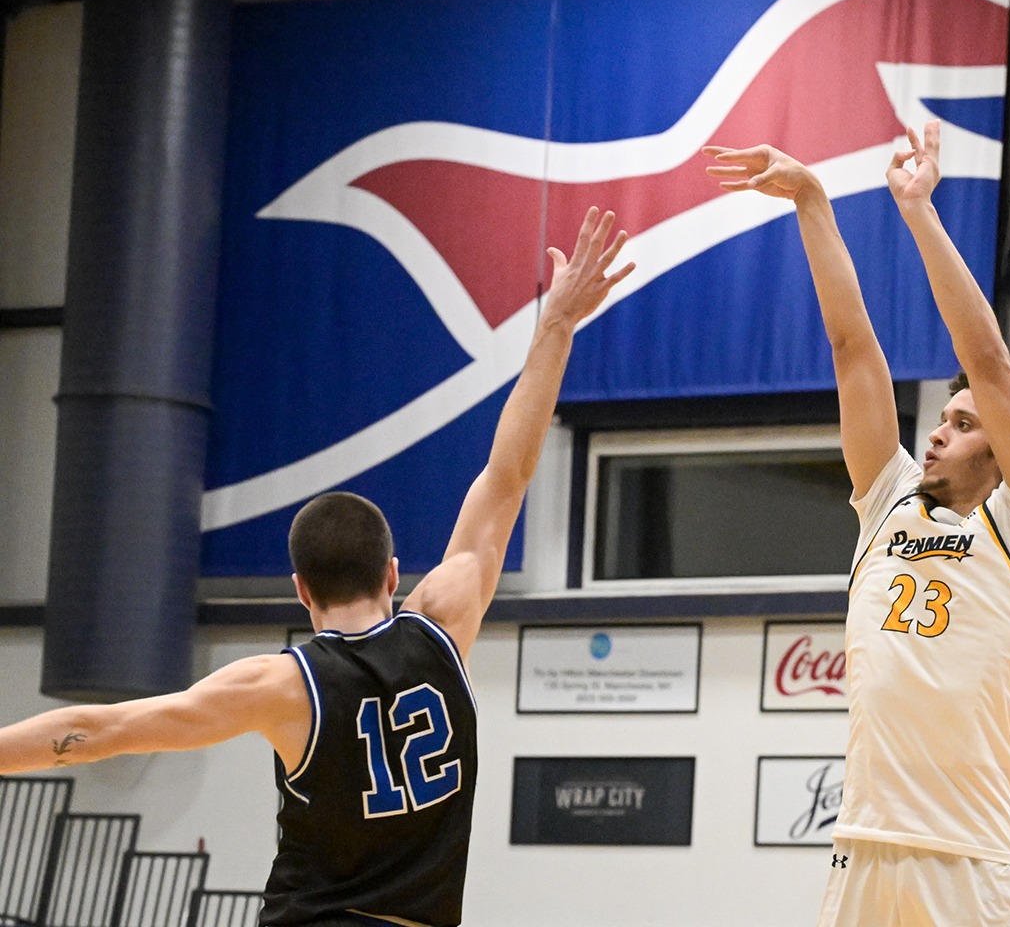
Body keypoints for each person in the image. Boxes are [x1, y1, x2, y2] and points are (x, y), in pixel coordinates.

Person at [0, 209, 633, 927]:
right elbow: (507, 475)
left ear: (300, 590)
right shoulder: (444, 621)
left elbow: (104, 728)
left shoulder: (282, 685)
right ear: (392, 574)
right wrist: (556, 326)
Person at [706, 123, 1010, 927]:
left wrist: (918, 211)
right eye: (941, 418)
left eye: (966, 424)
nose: (939, 431)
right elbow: (852, 350)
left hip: (970, 857)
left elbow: (985, 356)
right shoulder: (889, 499)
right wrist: (812, 201)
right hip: (864, 843)